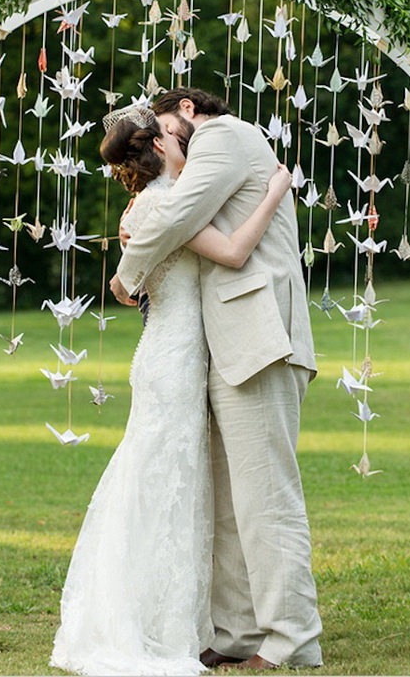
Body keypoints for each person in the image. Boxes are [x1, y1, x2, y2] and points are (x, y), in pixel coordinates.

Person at [50, 104, 294, 677]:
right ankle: (150, 623)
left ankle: (177, 619)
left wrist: (126, 275)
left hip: (173, 353)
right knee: (167, 482)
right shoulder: (166, 204)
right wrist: (274, 192)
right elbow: (232, 253)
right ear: (159, 148)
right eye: (167, 132)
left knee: (172, 481)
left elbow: (130, 287)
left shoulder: (152, 203)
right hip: (174, 360)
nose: (180, 135)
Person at [110, 88, 323, 672]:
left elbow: (180, 215)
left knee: (266, 499)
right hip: (224, 343)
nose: (160, 141)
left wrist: (126, 278)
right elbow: (180, 212)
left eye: (162, 126)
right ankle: (237, 634)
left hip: (259, 335)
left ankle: (291, 641)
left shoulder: (223, 136)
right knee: (232, 505)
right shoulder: (202, 149)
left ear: (185, 108)